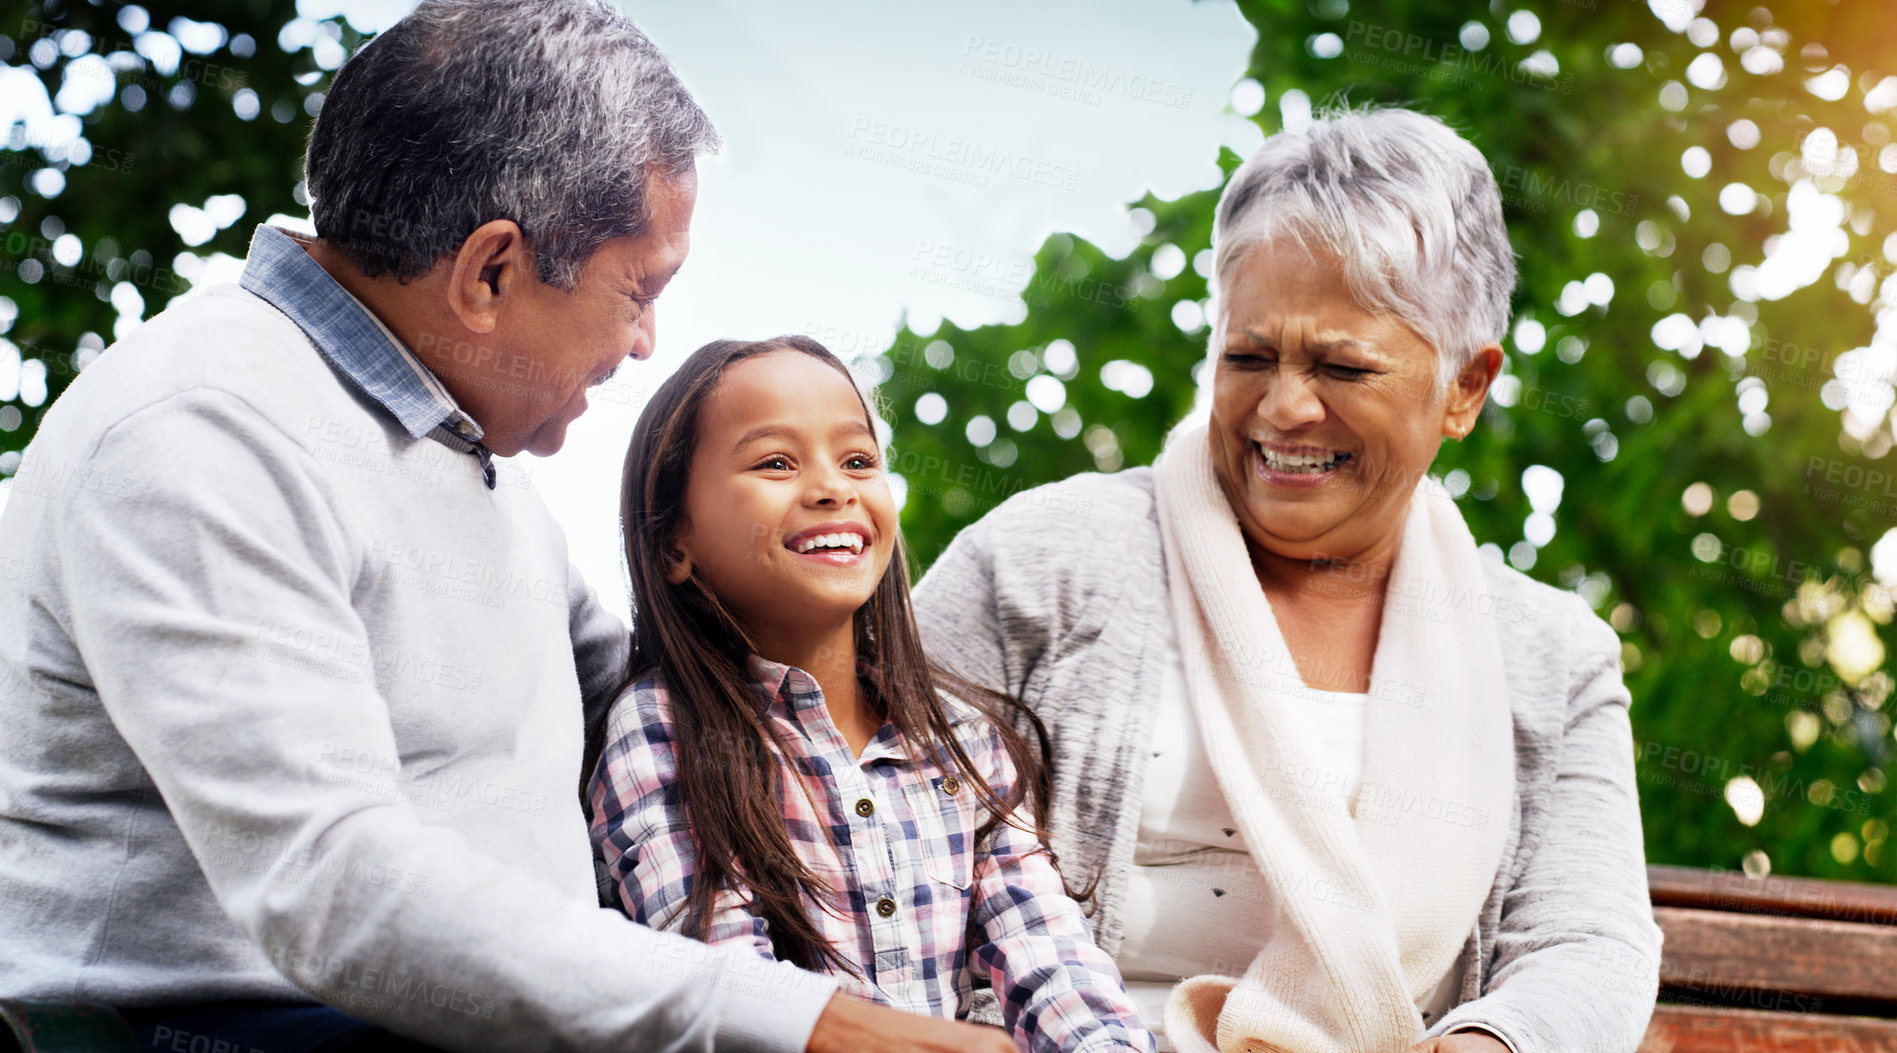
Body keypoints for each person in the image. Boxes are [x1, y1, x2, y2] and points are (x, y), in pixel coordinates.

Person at [0, 3, 1009, 1051]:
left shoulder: (465, 463)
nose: (642, 343)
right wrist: (816, 1027)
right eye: (639, 290)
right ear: (490, 273)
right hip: (246, 1021)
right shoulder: (203, 429)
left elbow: (672, 700)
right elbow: (331, 889)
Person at [914, 106, 1663, 1053]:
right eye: (1247, 356)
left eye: (1342, 366)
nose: (1283, 407)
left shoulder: (1553, 656)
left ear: (1464, 388)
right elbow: (867, 841)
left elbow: (1585, 943)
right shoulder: (1039, 562)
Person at [588, 336, 1155, 1053]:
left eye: (858, 460)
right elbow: (724, 987)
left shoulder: (963, 740)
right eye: (775, 462)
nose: (833, 487)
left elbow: (1056, 966)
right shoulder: (661, 728)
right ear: (674, 541)